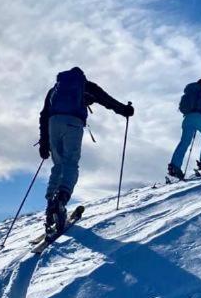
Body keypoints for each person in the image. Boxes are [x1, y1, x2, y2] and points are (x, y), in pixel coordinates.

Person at [38, 67, 134, 232]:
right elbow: (106, 100)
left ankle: (50, 207)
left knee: (58, 165)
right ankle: (61, 200)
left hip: (53, 124)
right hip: (73, 123)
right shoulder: (85, 85)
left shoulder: (55, 89)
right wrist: (124, 110)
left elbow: (44, 114)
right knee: (71, 163)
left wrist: (44, 141)